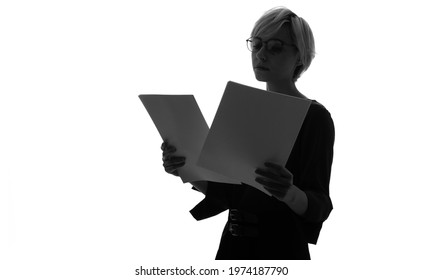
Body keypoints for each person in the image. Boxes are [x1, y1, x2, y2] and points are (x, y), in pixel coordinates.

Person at [161, 6, 334, 260]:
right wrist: (184, 167)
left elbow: (319, 205)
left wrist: (289, 192)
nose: (261, 54)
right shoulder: (243, 108)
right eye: (257, 44)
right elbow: (229, 194)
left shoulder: (315, 117)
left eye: (275, 47)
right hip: (232, 249)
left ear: (300, 56)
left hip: (282, 251)